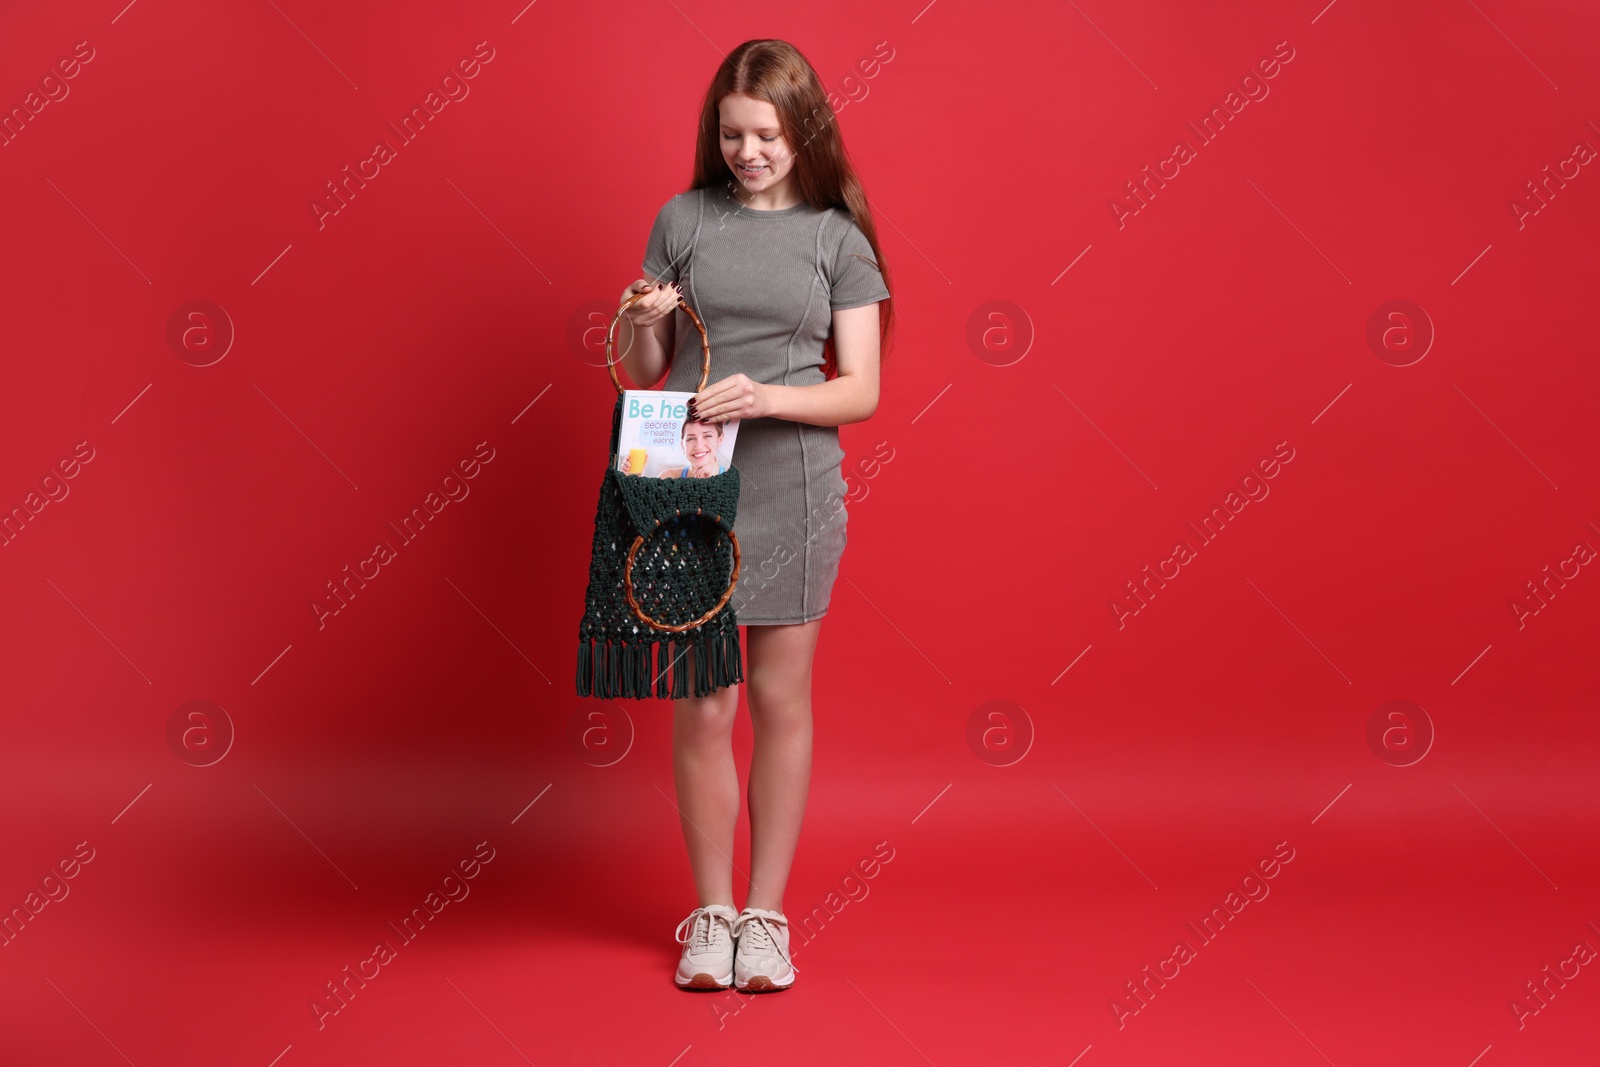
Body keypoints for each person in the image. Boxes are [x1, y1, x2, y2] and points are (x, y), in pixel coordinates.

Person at [613, 38, 894, 994]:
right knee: (705, 703)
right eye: (732, 134)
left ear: (801, 130)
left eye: (766, 134)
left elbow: (861, 391)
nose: (748, 152)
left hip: (795, 490)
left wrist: (766, 398)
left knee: (778, 702)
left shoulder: (835, 238)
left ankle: (766, 916)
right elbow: (643, 368)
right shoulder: (682, 219)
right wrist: (644, 311)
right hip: (691, 494)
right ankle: (711, 914)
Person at [659, 412, 726, 478]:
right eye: (690, 439)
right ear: (682, 445)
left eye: (707, 436)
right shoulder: (666, 478)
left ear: (720, 440)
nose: (698, 447)